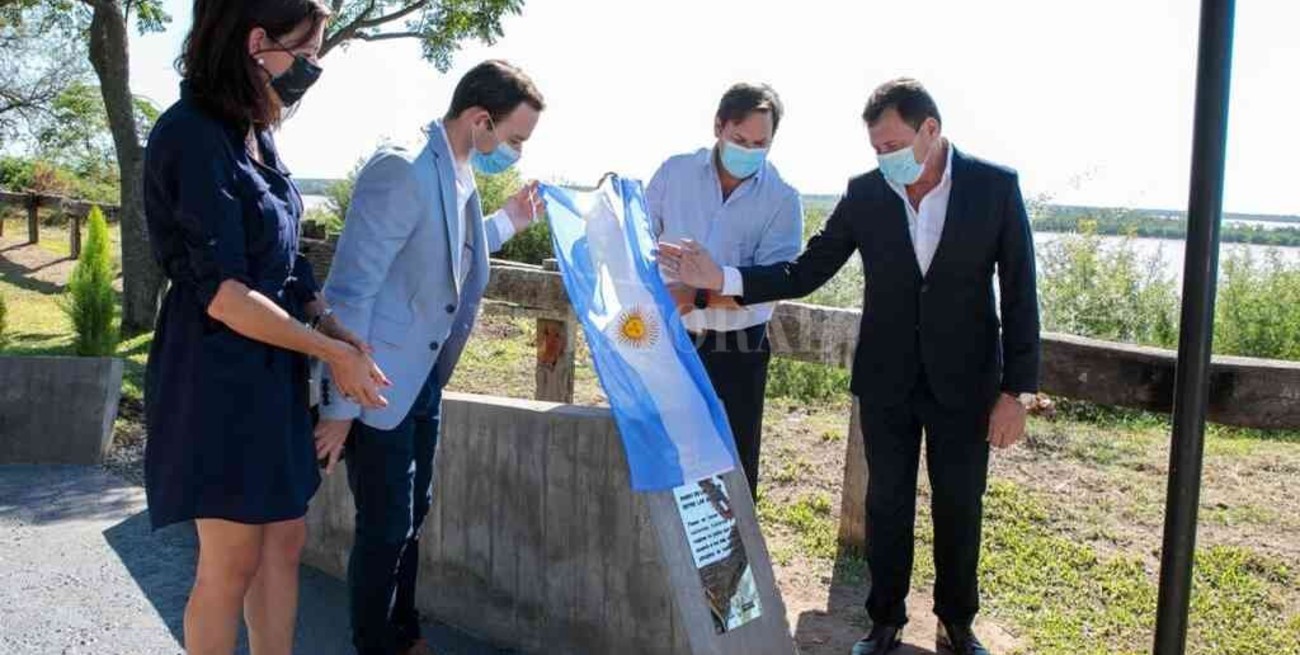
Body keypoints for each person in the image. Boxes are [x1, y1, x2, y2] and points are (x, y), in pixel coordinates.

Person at [660, 78, 1041, 655]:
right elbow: (804, 271)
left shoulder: (994, 188)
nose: (884, 159)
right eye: (877, 149)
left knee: (960, 503)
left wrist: (1017, 392)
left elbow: (1019, 294)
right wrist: (725, 282)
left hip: (966, 384)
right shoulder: (865, 195)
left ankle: (957, 623)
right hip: (887, 379)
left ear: (930, 131)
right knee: (885, 503)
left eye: (893, 146)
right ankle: (883, 622)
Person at [143, 2, 389, 654]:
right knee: (231, 561)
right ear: (258, 42)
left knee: (284, 541)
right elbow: (226, 294)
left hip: (271, 371)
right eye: (306, 54)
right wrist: (330, 352)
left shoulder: (253, 133)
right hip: (215, 376)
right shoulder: (189, 135)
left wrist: (331, 322)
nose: (314, 68)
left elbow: (286, 264)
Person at [313, 60, 546, 655]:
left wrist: (512, 221)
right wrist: (340, 405)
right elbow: (351, 290)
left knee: (413, 517)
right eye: (514, 138)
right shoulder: (403, 168)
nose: (516, 152)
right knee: (385, 528)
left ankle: (405, 630)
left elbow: (448, 250)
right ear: (479, 119)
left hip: (423, 383)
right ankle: (374, 644)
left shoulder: (460, 169)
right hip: (376, 386)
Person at [647, 82, 803, 500]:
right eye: (740, 139)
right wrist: (674, 297)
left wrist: (694, 295)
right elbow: (640, 246)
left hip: (738, 350)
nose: (749, 151)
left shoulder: (783, 200)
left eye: (760, 144)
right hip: (671, 341)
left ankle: (733, 561)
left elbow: (768, 287)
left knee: (731, 466)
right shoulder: (673, 174)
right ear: (718, 126)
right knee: (667, 454)